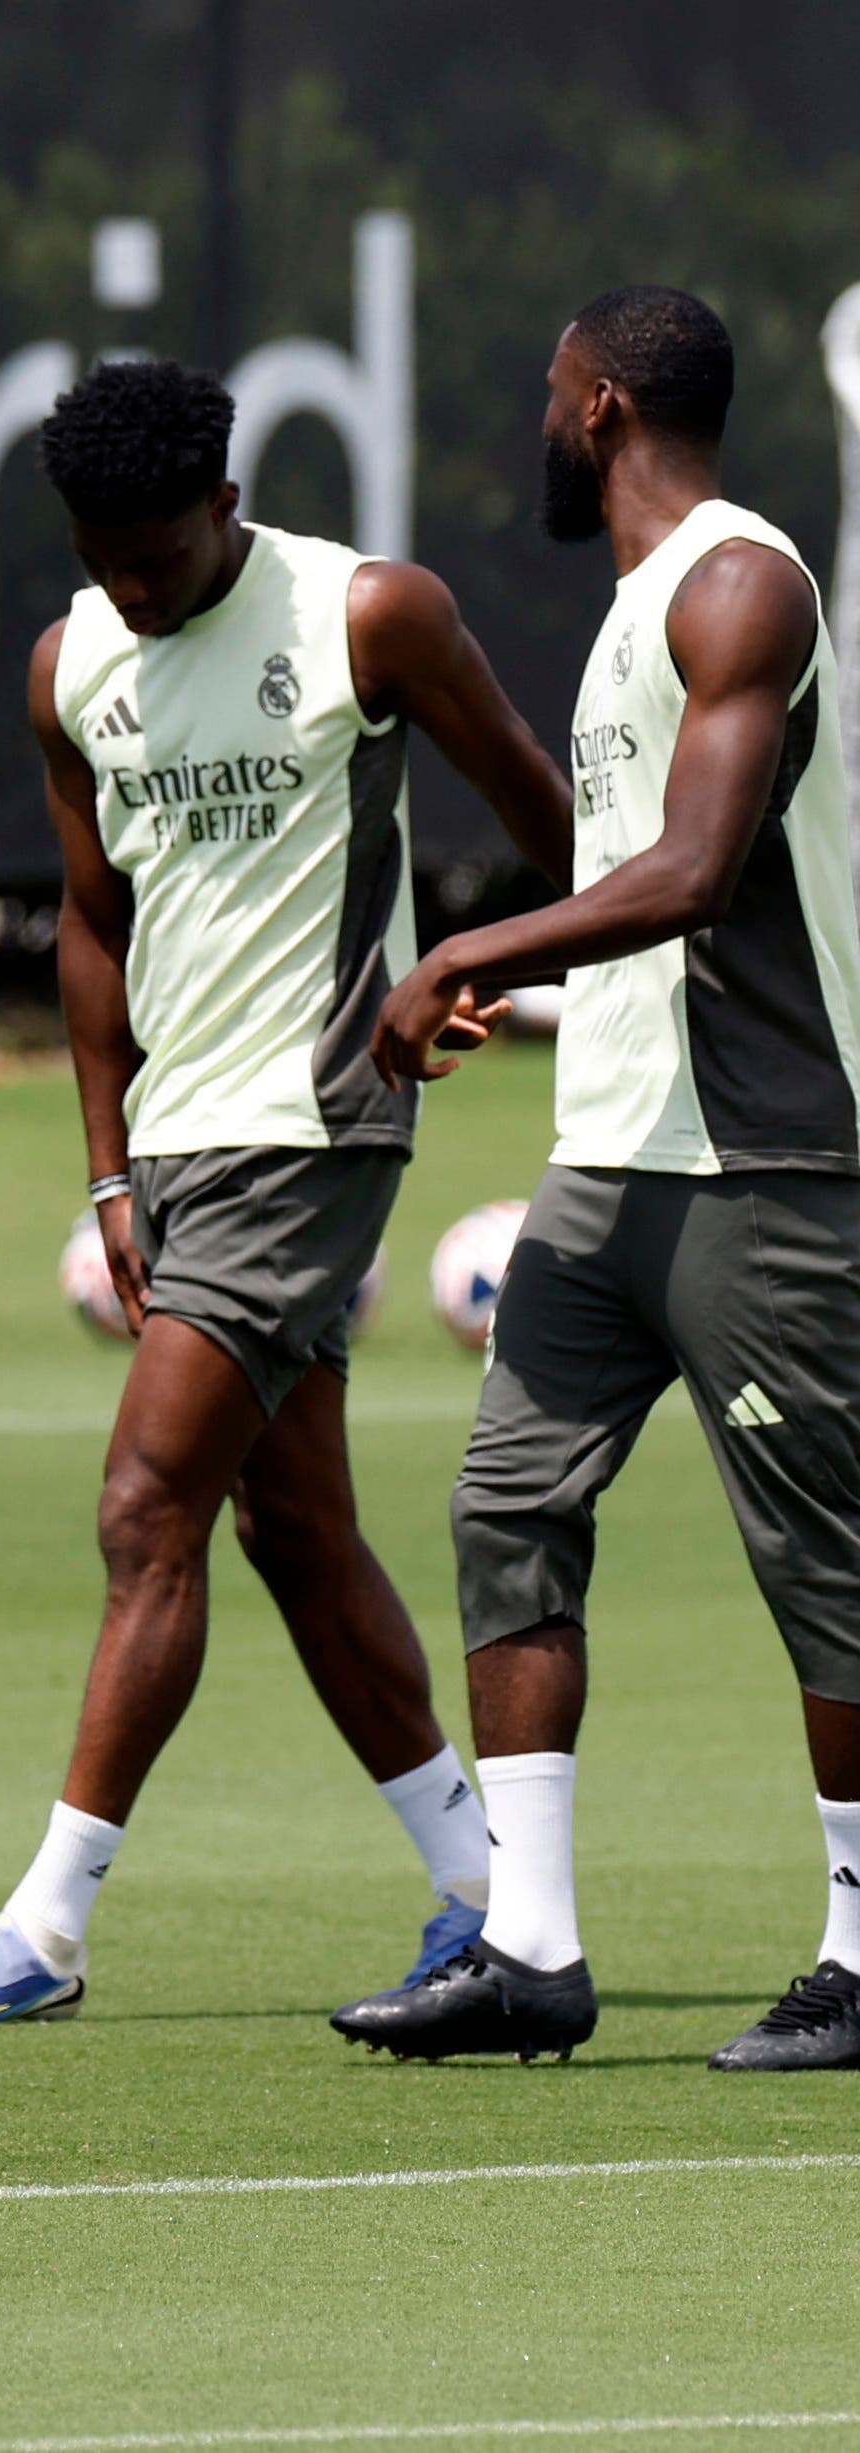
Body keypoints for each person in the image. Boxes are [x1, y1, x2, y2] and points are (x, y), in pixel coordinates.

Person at [0, 361, 574, 2026]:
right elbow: (89, 922)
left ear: (222, 505)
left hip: (313, 1126)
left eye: (154, 550)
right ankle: (485, 1892)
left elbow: (537, 803)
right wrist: (107, 1165)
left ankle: (44, 1925)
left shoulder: (366, 613)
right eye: (96, 552)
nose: (128, 581)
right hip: (179, 1142)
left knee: (143, 1504)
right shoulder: (70, 662)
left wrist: (527, 965)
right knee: (295, 1531)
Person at [337, 287, 860, 2072]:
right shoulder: (635, 608)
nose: (536, 415)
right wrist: (544, 980)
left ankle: (859, 1950)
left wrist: (462, 952)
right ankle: (527, 1947)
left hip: (762, 1163)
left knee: (826, 1564)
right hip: (607, 1161)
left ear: (603, 405)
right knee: (505, 1505)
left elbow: (699, 869)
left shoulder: (736, 581)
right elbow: (636, 883)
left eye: (548, 386)